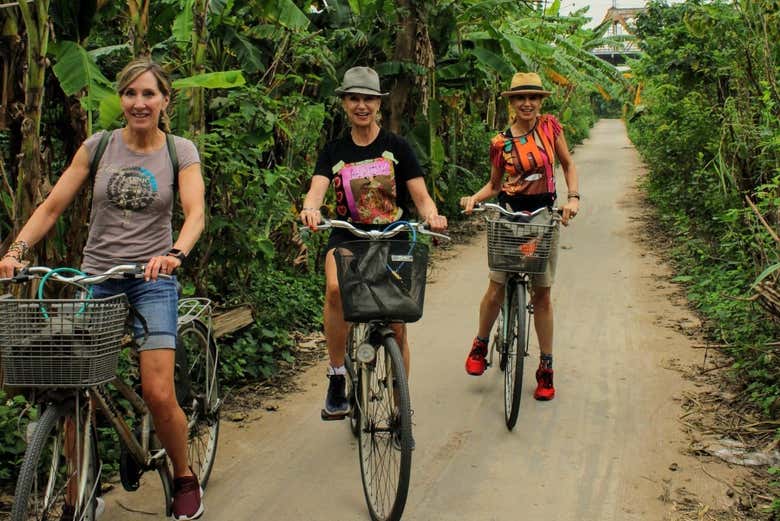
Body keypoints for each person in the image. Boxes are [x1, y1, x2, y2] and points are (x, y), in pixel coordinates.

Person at [0, 58, 206, 520]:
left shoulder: (180, 150)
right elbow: (52, 205)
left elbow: (195, 213)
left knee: (157, 391)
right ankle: (80, 488)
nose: (138, 103)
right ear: (120, 98)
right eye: (130, 94)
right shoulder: (98, 146)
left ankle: (184, 474)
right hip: (98, 278)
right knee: (73, 387)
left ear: (164, 100)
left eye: (148, 94)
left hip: (152, 281)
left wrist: (175, 252)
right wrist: (16, 251)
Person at [300, 66, 447, 420]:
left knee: (398, 325)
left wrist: (432, 216)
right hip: (348, 234)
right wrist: (310, 209)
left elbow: (421, 196)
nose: (361, 105)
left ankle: (401, 407)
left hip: (392, 235)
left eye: (368, 99)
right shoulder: (334, 150)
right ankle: (337, 376)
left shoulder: (396, 147)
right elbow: (316, 190)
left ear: (378, 104)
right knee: (336, 290)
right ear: (345, 104)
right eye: (354, 98)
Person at [460, 71, 579, 401]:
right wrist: (474, 198)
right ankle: (481, 343)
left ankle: (546, 367)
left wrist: (573, 198)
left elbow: (568, 165)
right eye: (520, 98)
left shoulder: (550, 128)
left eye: (533, 98)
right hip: (509, 217)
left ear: (540, 102)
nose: (527, 103)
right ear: (511, 103)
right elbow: (495, 185)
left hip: (543, 217)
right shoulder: (500, 142)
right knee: (497, 284)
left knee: (542, 293)